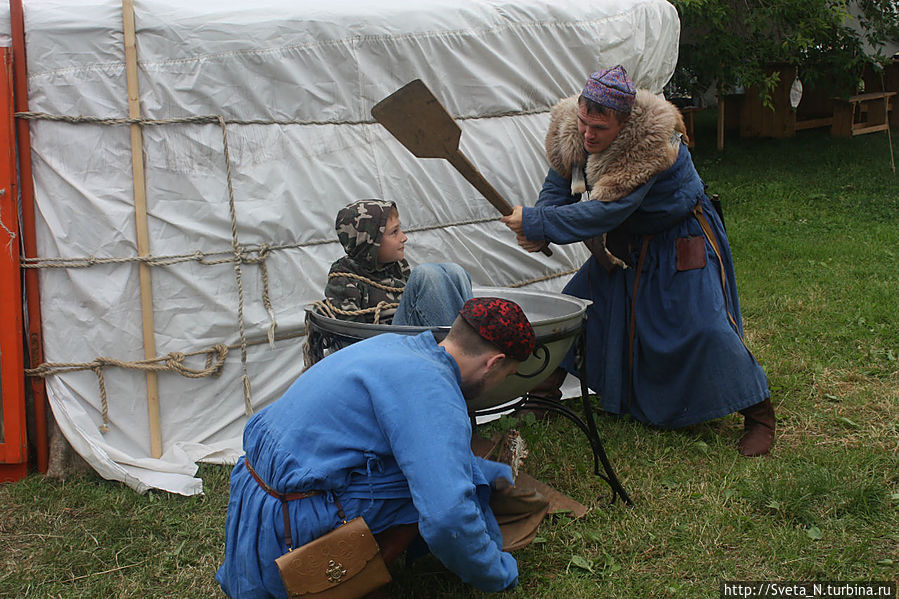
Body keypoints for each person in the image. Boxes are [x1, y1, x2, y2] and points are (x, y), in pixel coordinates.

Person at [501, 65, 775, 457]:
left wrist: (536, 222)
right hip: (627, 244)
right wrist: (540, 223)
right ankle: (543, 398)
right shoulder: (573, 132)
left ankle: (760, 414)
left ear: (625, 123)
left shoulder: (650, 146)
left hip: (680, 237)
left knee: (703, 327)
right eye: (584, 122)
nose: (588, 134)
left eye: (600, 128)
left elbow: (605, 212)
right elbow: (557, 190)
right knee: (576, 310)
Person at [216, 297, 538, 598]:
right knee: (440, 492)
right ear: (493, 363)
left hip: (253, 498)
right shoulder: (433, 389)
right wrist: (500, 574)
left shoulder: (397, 346)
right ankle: (346, 581)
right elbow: (447, 518)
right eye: (506, 374)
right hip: (290, 526)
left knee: (442, 472)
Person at [324, 199, 472, 326]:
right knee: (426, 273)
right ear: (370, 244)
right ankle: (462, 347)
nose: (404, 238)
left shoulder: (397, 267)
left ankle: (472, 336)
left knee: (454, 271)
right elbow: (350, 334)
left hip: (411, 333)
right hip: (386, 345)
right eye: (394, 232)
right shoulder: (344, 278)